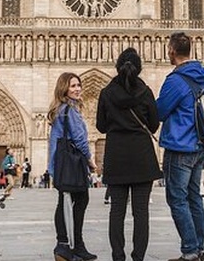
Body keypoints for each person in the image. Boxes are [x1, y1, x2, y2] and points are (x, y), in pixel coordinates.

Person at [96, 47, 162, 261]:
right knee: (141, 212)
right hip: (142, 157)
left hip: (116, 157)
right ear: (139, 69)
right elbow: (153, 125)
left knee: (116, 211)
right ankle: (138, 257)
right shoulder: (146, 92)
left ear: (117, 67)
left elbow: (101, 126)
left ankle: (118, 256)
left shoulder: (106, 93)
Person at [156, 31, 204, 261]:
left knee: (177, 199)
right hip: (200, 145)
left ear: (171, 51)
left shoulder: (176, 80)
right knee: (194, 197)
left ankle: (190, 250)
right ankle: (199, 245)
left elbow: (160, 111)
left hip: (181, 146)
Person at [48, 72, 97, 261]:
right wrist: (90, 160)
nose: (77, 89)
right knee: (80, 201)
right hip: (72, 164)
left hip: (61, 164)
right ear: (64, 89)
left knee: (64, 203)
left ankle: (66, 246)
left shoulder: (59, 109)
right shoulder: (69, 111)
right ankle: (71, 246)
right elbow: (80, 140)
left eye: (79, 85)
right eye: (73, 86)